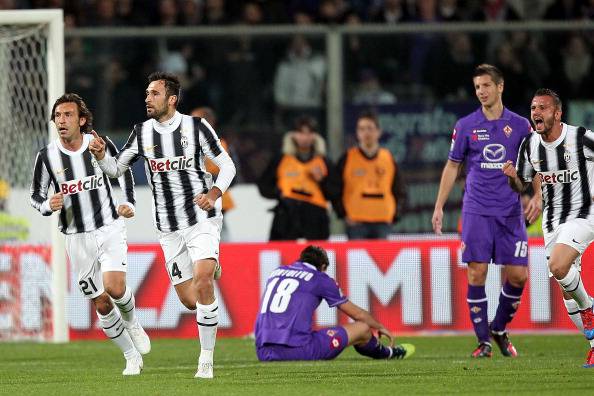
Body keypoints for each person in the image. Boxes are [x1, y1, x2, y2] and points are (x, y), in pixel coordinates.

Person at [89, 72, 236, 379]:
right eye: (146, 93)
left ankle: (206, 361)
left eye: (154, 93)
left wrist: (214, 193)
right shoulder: (141, 133)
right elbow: (117, 169)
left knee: (203, 280)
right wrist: (103, 155)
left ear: (171, 99)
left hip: (201, 219)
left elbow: (227, 165)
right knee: (188, 299)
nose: (147, 98)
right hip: (168, 228)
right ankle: (209, 268)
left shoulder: (196, 127)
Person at [29, 93, 150, 375]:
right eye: (58, 116)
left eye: (68, 115)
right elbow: (35, 195)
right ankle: (130, 356)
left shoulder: (97, 143)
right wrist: (48, 204)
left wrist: (129, 203)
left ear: (81, 120)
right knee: (101, 301)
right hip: (76, 237)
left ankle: (132, 321)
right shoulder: (46, 156)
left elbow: (123, 172)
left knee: (115, 288)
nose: (62, 120)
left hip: (109, 226)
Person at [432, 64, 542, 358]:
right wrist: (439, 205)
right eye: (477, 87)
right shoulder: (466, 125)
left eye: (486, 86)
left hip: (509, 211)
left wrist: (538, 195)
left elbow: (537, 162)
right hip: (477, 210)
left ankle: (499, 327)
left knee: (519, 276)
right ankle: (483, 342)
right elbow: (453, 165)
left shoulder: (520, 125)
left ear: (500, 86)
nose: (481, 92)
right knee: (476, 272)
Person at [504, 88, 594, 368]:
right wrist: (511, 178)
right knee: (567, 292)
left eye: (542, 108)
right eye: (533, 108)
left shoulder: (581, 138)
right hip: (552, 221)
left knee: (558, 266)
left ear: (557, 113)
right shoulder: (530, 145)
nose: (536, 113)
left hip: (584, 214)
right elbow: (522, 183)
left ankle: (591, 312)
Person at [255, 245, 415, 362]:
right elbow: (358, 314)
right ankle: (388, 353)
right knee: (362, 328)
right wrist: (379, 326)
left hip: (263, 352)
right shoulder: (320, 278)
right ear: (323, 267)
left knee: (309, 331)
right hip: (298, 351)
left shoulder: (276, 272)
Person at [332, 110, 406, 240]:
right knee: (357, 260)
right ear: (357, 133)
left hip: (383, 221)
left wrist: (395, 214)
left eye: (370, 128)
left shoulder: (388, 158)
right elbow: (334, 189)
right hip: (356, 223)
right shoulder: (347, 158)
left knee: (383, 259)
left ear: (378, 132)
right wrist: (343, 214)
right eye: (362, 129)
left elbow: (400, 189)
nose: (366, 133)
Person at [258, 116, 332, 241]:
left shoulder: (323, 161)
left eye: (309, 133)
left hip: (315, 219)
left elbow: (334, 192)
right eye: (301, 133)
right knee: (282, 258)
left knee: (314, 258)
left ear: (315, 136)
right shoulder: (281, 159)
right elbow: (264, 185)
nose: (304, 138)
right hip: (286, 218)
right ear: (293, 135)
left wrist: (322, 180)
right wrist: (279, 193)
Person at [190, 106, 235, 240]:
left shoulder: (219, 145)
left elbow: (228, 172)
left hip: (213, 197)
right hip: (202, 198)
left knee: (214, 232)